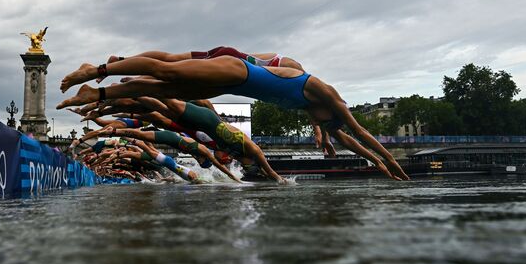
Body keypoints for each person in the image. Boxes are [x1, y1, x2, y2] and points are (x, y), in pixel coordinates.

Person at [58, 55, 409, 181]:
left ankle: (98, 94)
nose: (332, 132)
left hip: (236, 85)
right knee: (166, 73)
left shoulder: (323, 116)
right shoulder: (327, 94)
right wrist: (389, 160)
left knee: (165, 89)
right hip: (239, 70)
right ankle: (97, 72)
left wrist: (377, 166)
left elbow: (350, 140)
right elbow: (360, 130)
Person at [96, 126, 242, 183]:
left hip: (172, 150)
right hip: (172, 140)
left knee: (150, 150)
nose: (198, 162)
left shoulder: (199, 154)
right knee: (147, 147)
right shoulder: (203, 151)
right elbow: (218, 165)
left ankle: (121, 134)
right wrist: (234, 177)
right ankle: (117, 132)